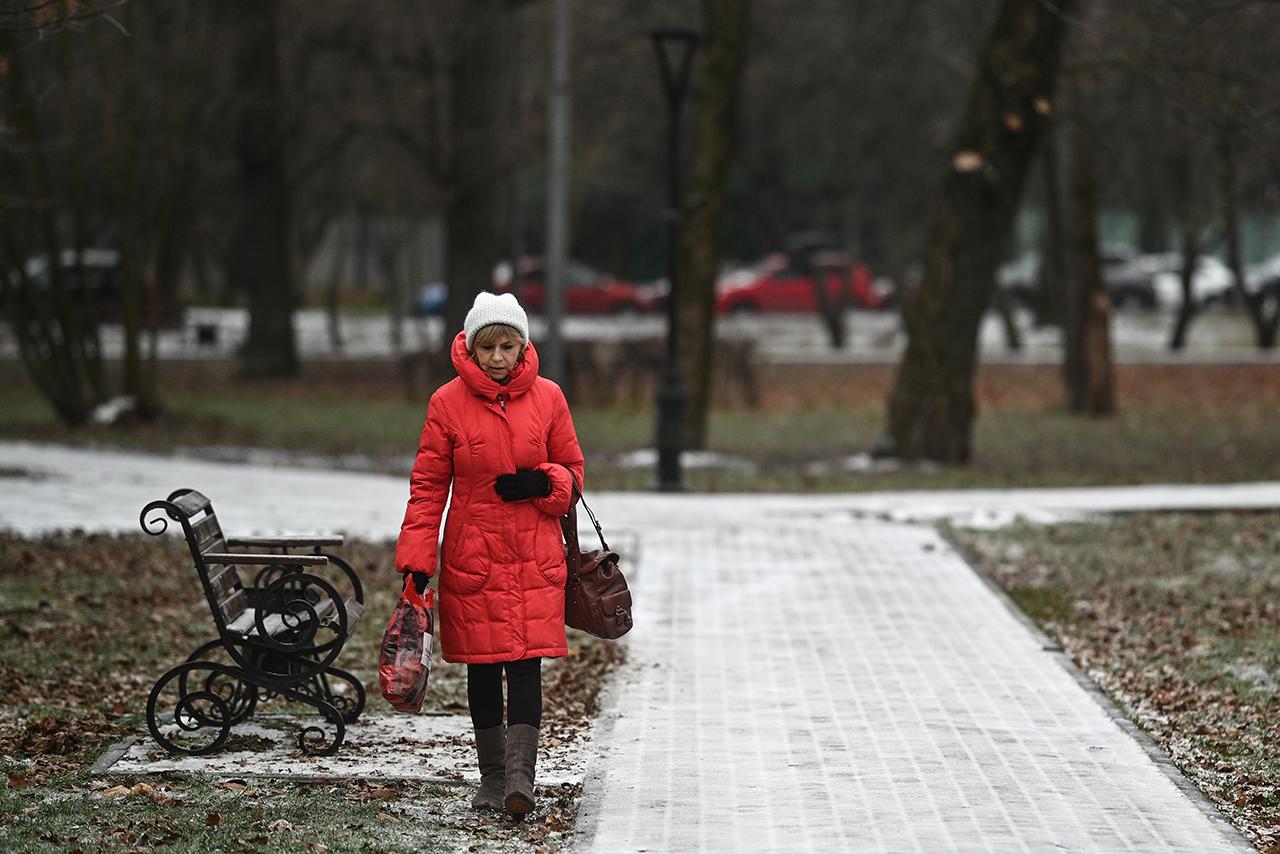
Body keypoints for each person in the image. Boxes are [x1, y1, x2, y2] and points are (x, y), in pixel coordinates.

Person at [395, 291, 584, 817]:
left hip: (533, 555)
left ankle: (521, 780)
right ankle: (492, 778)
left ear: (523, 346)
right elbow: (428, 486)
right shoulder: (446, 403)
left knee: (525, 666)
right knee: (482, 668)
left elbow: (574, 473)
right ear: (471, 349)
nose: (498, 357)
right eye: (488, 347)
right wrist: (416, 558)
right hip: (473, 556)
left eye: (508, 345)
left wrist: (539, 483)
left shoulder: (549, 397)